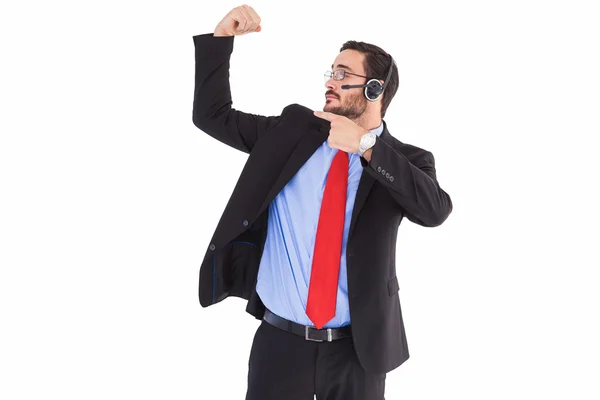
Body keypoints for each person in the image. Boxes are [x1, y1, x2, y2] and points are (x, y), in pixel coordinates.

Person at [191, 5, 453, 400]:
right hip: (279, 343)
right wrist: (221, 38)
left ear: (375, 90)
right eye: (331, 72)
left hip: (357, 352)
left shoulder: (405, 162)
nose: (331, 81)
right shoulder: (291, 132)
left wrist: (367, 147)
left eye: (343, 74)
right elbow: (212, 116)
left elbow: (435, 211)